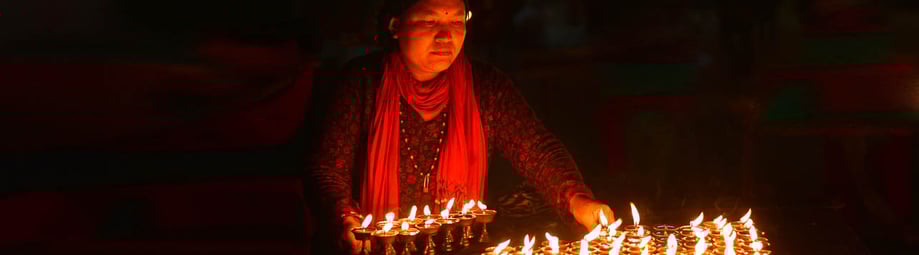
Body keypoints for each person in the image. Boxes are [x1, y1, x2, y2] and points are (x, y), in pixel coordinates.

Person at [310, 0, 613, 253]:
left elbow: (535, 148)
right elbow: (329, 167)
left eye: (457, 22)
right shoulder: (362, 83)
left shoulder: (486, 87)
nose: (446, 37)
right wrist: (345, 218)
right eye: (429, 22)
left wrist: (577, 199)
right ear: (395, 25)